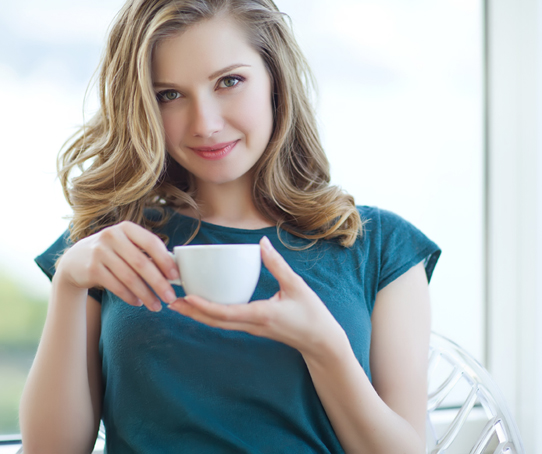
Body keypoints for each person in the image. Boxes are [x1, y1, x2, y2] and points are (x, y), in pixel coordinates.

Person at [19, 0, 441, 453]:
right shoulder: (113, 245)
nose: (206, 124)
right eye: (169, 95)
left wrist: (323, 346)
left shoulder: (379, 247)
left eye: (230, 81)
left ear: (275, 81)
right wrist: (68, 282)